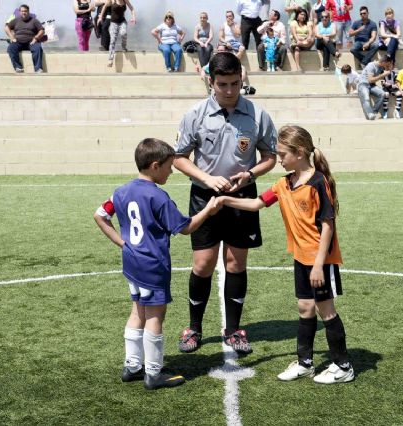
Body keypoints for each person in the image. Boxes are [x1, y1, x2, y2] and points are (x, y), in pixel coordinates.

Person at [215, 125, 354, 385]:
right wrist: (225, 201)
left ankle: (343, 365)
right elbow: (257, 203)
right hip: (301, 257)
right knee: (304, 307)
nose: (279, 158)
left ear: (299, 153)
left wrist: (318, 264)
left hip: (319, 260)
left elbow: (327, 226)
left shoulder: (318, 183)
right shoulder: (284, 184)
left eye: (282, 154)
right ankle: (305, 363)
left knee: (326, 311)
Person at [94, 138, 220, 391]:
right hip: (152, 265)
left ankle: (132, 366)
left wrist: (123, 243)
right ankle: (153, 372)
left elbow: (100, 215)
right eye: (168, 167)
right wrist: (209, 209)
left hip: (131, 262)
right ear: (154, 166)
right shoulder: (158, 197)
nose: (171, 172)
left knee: (137, 311)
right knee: (155, 316)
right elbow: (186, 228)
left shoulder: (121, 191)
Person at [174, 52, 278, 355]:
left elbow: (270, 157)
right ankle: (194, 328)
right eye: (222, 84)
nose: (229, 90)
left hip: (241, 197)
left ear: (241, 79)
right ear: (211, 81)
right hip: (204, 197)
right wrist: (207, 180)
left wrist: (249, 174)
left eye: (234, 83)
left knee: (236, 263)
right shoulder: (195, 115)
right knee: (203, 264)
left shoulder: (258, 116)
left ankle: (233, 329)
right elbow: (179, 158)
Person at [4, 4, 44, 74]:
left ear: (28, 11)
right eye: (22, 11)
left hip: (31, 42)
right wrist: (12, 37)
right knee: (11, 48)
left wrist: (36, 38)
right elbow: (7, 27)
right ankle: (18, 67)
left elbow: (42, 30)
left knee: (38, 48)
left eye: (25, 11)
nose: (23, 13)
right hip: (18, 42)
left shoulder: (34, 21)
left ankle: (38, 69)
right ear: (20, 12)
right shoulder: (16, 20)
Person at [99, 0, 135, 67]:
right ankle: (110, 59)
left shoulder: (125, 1)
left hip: (122, 22)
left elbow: (132, 8)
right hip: (113, 23)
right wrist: (101, 17)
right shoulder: (112, 1)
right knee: (112, 40)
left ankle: (124, 47)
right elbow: (104, 7)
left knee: (123, 33)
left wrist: (133, 17)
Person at [357, 54, 392, 120]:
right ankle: (370, 114)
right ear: (383, 62)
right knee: (366, 98)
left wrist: (389, 67)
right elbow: (370, 80)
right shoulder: (371, 66)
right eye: (387, 64)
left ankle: (374, 111)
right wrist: (382, 75)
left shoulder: (381, 66)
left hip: (372, 85)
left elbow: (388, 71)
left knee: (383, 94)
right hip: (363, 84)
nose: (387, 66)